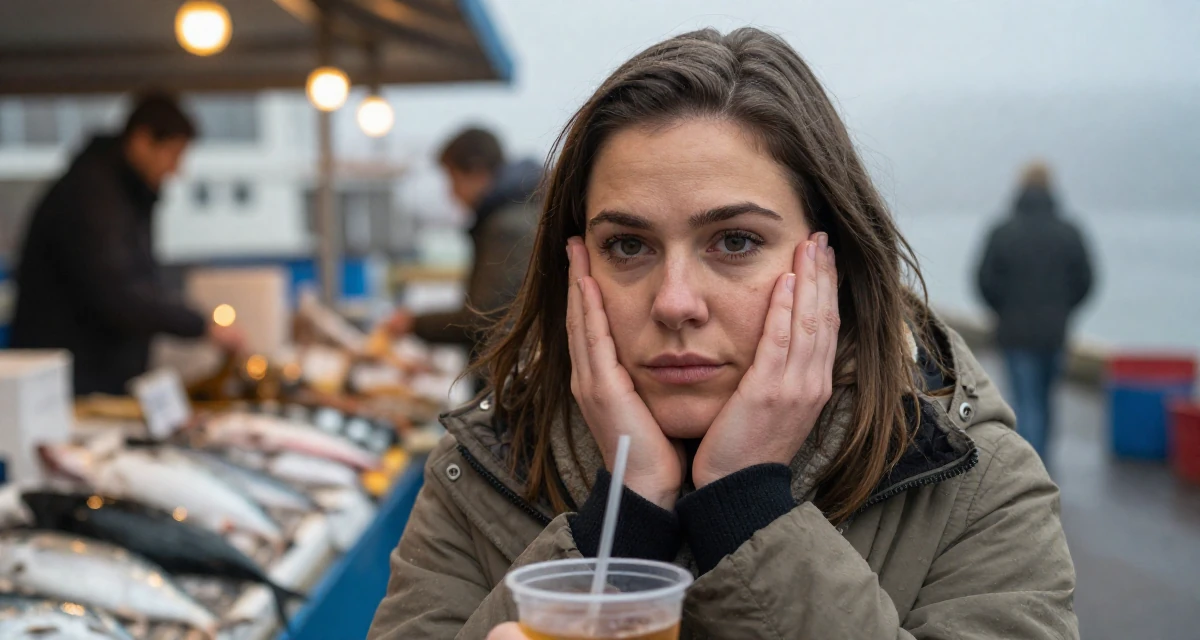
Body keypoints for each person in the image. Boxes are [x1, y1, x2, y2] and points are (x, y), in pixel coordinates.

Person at [369, 28, 1077, 640]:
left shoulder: (971, 483)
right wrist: (621, 520)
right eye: (627, 246)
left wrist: (748, 509)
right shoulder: (481, 474)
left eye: (735, 241)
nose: (676, 303)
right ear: (573, 264)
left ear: (833, 259)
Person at [10, 92, 243, 396]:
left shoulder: (123, 193)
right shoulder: (94, 195)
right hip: (74, 382)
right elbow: (117, 290)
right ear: (143, 140)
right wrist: (199, 324)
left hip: (94, 375)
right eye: (173, 154)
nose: (176, 169)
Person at [388, 127, 542, 365]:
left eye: (453, 178)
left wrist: (415, 323)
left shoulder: (507, 227)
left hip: (510, 378)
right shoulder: (516, 211)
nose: (451, 193)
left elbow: (487, 317)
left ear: (477, 171)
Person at [977, 162, 1093, 462]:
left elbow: (984, 280)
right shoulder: (1069, 232)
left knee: (1026, 404)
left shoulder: (1002, 231)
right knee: (1045, 403)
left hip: (1015, 334)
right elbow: (1086, 280)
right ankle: (1042, 470)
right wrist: (1064, 309)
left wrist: (1002, 309)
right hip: (1054, 333)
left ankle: (1030, 476)